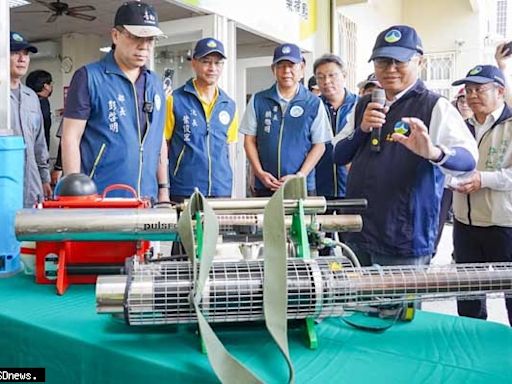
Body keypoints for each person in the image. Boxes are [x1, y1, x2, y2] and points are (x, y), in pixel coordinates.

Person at [333, 25, 478, 267]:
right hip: (359, 232)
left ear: (419, 62)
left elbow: (468, 160)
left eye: (399, 61)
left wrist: (434, 153)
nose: (390, 70)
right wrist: (363, 130)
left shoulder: (434, 106)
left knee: (398, 305)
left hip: (403, 238)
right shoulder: (364, 105)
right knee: (358, 305)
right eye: (382, 62)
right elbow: (338, 154)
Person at [61, 1, 168, 201]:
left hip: (147, 197)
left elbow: (158, 138)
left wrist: (163, 190)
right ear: (115, 35)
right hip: (101, 198)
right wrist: (74, 196)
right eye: (136, 37)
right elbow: (70, 138)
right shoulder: (89, 77)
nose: (144, 46)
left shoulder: (155, 83)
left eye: (150, 39)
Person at [450, 65, 512, 326]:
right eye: (468, 91)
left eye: (480, 89)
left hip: (503, 224)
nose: (472, 96)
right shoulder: (461, 127)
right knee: (468, 293)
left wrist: (482, 179)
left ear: (500, 91)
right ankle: (471, 342)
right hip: (465, 224)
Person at [240, 43, 332, 197]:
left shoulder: (314, 103)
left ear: (302, 68)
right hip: (266, 184)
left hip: (301, 185)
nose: (286, 71)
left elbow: (319, 145)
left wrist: (300, 176)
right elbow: (249, 140)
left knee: (300, 222)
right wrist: (259, 172)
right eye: (281, 66)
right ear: (273, 70)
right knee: (267, 222)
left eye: (291, 66)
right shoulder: (259, 100)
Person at [164, 38, 237, 202]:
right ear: (194, 63)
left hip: (221, 188)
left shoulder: (229, 104)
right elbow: (164, 146)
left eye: (218, 63)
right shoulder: (175, 100)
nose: (212, 68)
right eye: (206, 62)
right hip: (184, 187)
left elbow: (228, 147)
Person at [9, 31, 51, 207]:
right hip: (5, 181)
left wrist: (44, 178)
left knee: (30, 232)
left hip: (31, 185)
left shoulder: (31, 97)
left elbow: (39, 143)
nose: (22, 59)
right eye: (15, 53)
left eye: (25, 54)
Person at [313, 54, 357, 199]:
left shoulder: (360, 106)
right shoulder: (312, 107)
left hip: (352, 186)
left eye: (332, 75)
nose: (327, 81)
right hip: (319, 187)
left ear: (344, 76)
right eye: (320, 77)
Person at [25, 70, 53, 150]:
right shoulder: (42, 102)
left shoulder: (27, 100)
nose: (51, 86)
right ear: (45, 86)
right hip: (38, 150)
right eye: (50, 83)